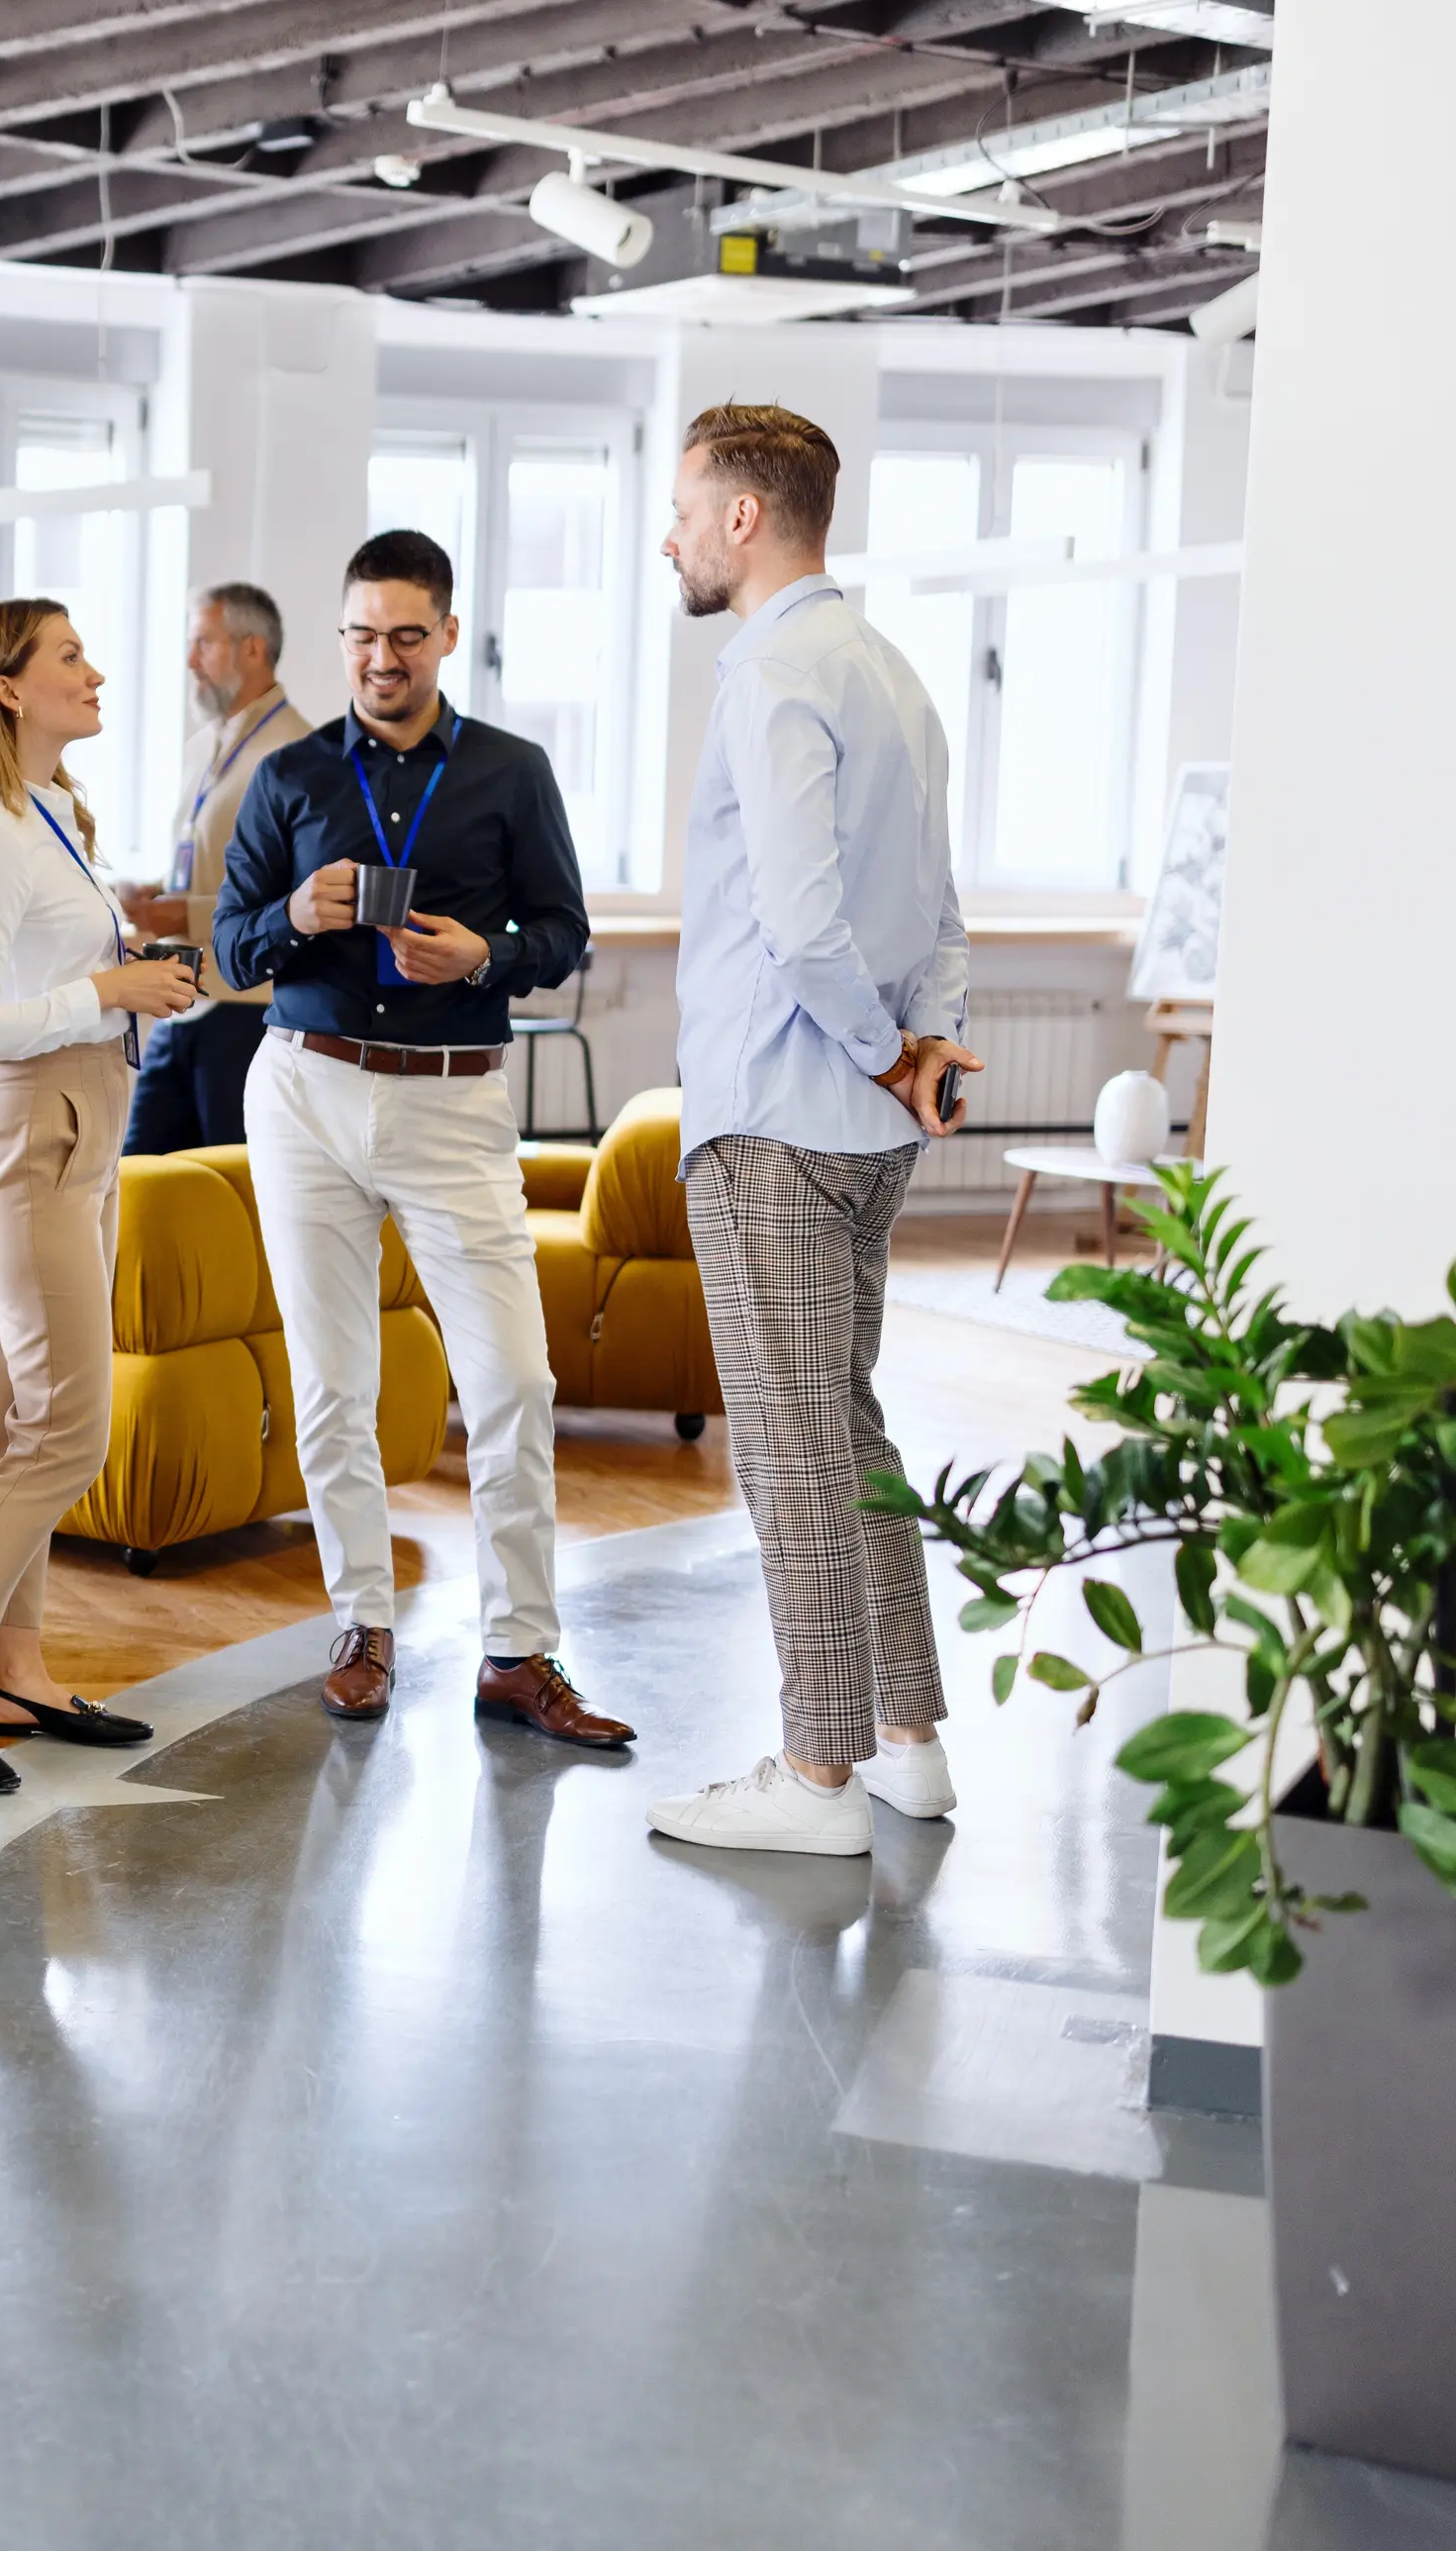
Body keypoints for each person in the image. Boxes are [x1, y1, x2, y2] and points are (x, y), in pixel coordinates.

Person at [213, 530, 632, 1749]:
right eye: (361, 634)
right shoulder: (290, 779)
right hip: (303, 1095)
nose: (381, 657)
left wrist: (483, 957)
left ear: (448, 635)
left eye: (406, 634)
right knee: (334, 1385)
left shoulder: (513, 772)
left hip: (452, 1099)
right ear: (338, 638)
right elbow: (233, 950)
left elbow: (564, 934)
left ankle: (518, 1651)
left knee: (512, 1379)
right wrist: (292, 911)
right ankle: (361, 1624)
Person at [639, 405, 980, 1858]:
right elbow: (943, 907)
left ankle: (816, 1775)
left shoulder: (773, 673)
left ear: (741, 519)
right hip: (865, 1126)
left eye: (680, 507)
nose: (668, 534)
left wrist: (886, 1044)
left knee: (790, 1445)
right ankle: (907, 1740)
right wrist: (923, 1049)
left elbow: (798, 922)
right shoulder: (892, 671)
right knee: (846, 1426)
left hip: (778, 1113)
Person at [0, 599, 202, 1794]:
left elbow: (67, 982)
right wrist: (106, 988)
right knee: (69, 1430)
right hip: (26, 1142)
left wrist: (132, 989)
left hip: (88, 1131)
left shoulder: (57, 817)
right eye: (72, 655)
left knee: (24, 1428)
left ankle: (14, 1670)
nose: (97, 669)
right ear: (9, 688)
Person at [124, 582, 301, 1154]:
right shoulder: (205, 744)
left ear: (253, 649)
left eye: (204, 642)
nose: (189, 660)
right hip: (183, 997)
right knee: (141, 1182)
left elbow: (301, 899)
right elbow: (208, 859)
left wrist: (187, 910)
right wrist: (163, 892)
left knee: (235, 1189)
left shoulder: (299, 754)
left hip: (247, 1009)